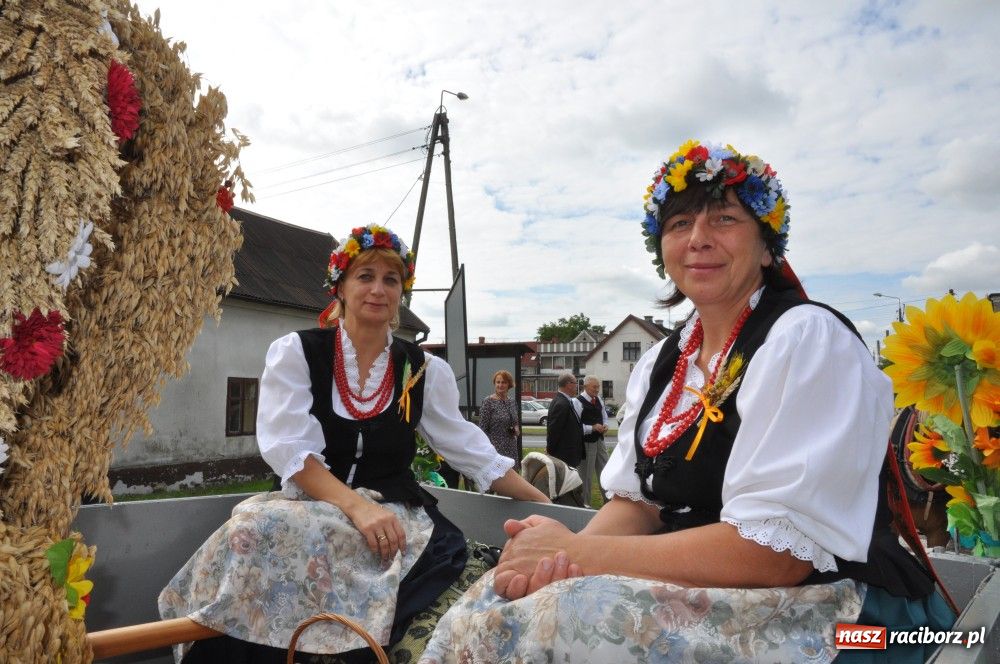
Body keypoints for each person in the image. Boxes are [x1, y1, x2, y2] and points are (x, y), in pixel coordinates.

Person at [421, 141, 954, 663]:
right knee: (496, 603)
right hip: (715, 593)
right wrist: (556, 559)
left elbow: (776, 557)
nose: (698, 238)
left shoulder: (805, 339)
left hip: (842, 614)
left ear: (768, 246)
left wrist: (581, 554)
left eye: (723, 219)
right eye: (679, 224)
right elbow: (638, 504)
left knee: (570, 616)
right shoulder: (662, 362)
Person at [159, 224, 549, 663]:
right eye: (365, 276)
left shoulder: (422, 369)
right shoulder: (297, 352)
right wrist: (357, 507)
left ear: (401, 292)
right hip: (313, 505)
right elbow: (290, 449)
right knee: (254, 529)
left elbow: (472, 452)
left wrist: (549, 508)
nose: (378, 290)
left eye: (391, 280)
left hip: (397, 512)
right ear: (340, 287)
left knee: (404, 556)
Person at [576, 375, 609, 507]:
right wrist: (592, 428)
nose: (597, 390)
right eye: (594, 387)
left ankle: (609, 502)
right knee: (586, 476)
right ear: (585, 387)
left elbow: (604, 417)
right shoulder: (577, 402)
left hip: (599, 441)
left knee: (606, 471)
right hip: (586, 443)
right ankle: (585, 505)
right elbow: (576, 426)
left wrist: (605, 425)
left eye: (598, 387)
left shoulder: (598, 400)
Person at [478, 370, 521, 471]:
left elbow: (515, 421)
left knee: (512, 479)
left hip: (511, 447)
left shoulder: (512, 402)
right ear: (495, 384)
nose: (500, 385)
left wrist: (516, 428)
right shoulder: (488, 402)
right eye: (498, 382)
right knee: (498, 480)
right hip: (495, 449)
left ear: (509, 384)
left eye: (504, 382)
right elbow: (482, 428)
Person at [544, 372, 584, 468]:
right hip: (564, 456)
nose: (577, 386)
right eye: (575, 383)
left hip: (568, 454)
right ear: (568, 384)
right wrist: (550, 451)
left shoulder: (564, 400)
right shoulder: (562, 404)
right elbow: (554, 431)